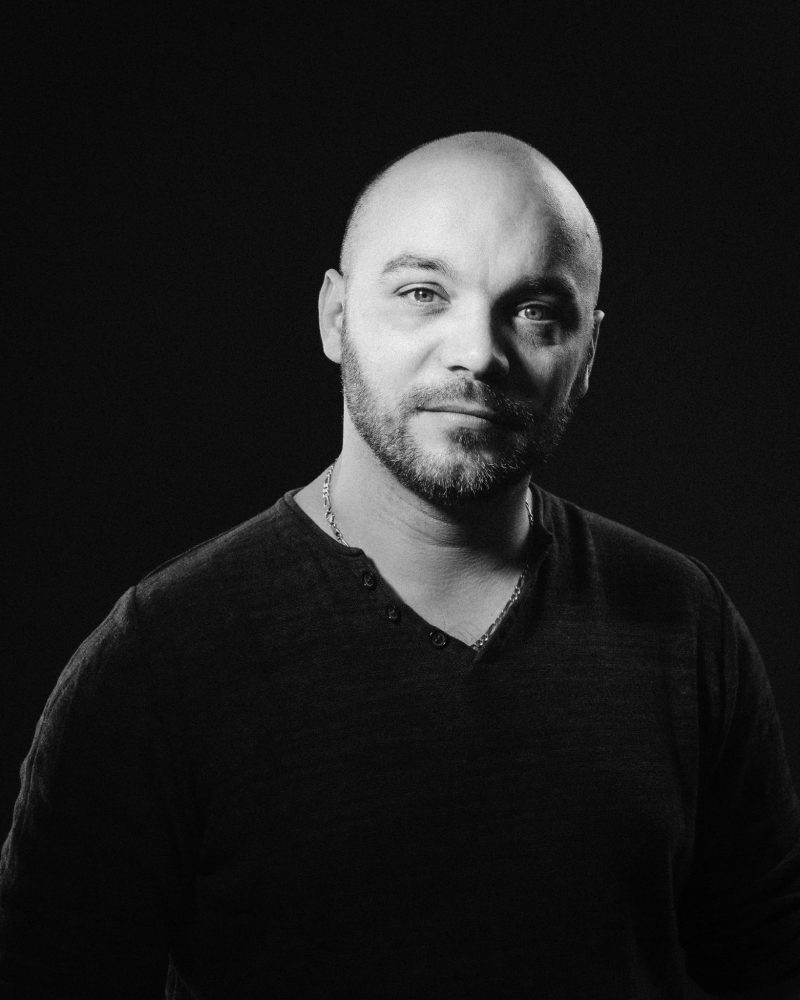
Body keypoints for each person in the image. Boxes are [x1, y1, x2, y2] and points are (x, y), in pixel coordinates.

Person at [1, 131, 799, 1000]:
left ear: (588, 356)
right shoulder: (159, 661)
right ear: (335, 318)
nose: (477, 353)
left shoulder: (686, 625)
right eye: (423, 293)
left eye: (536, 310)